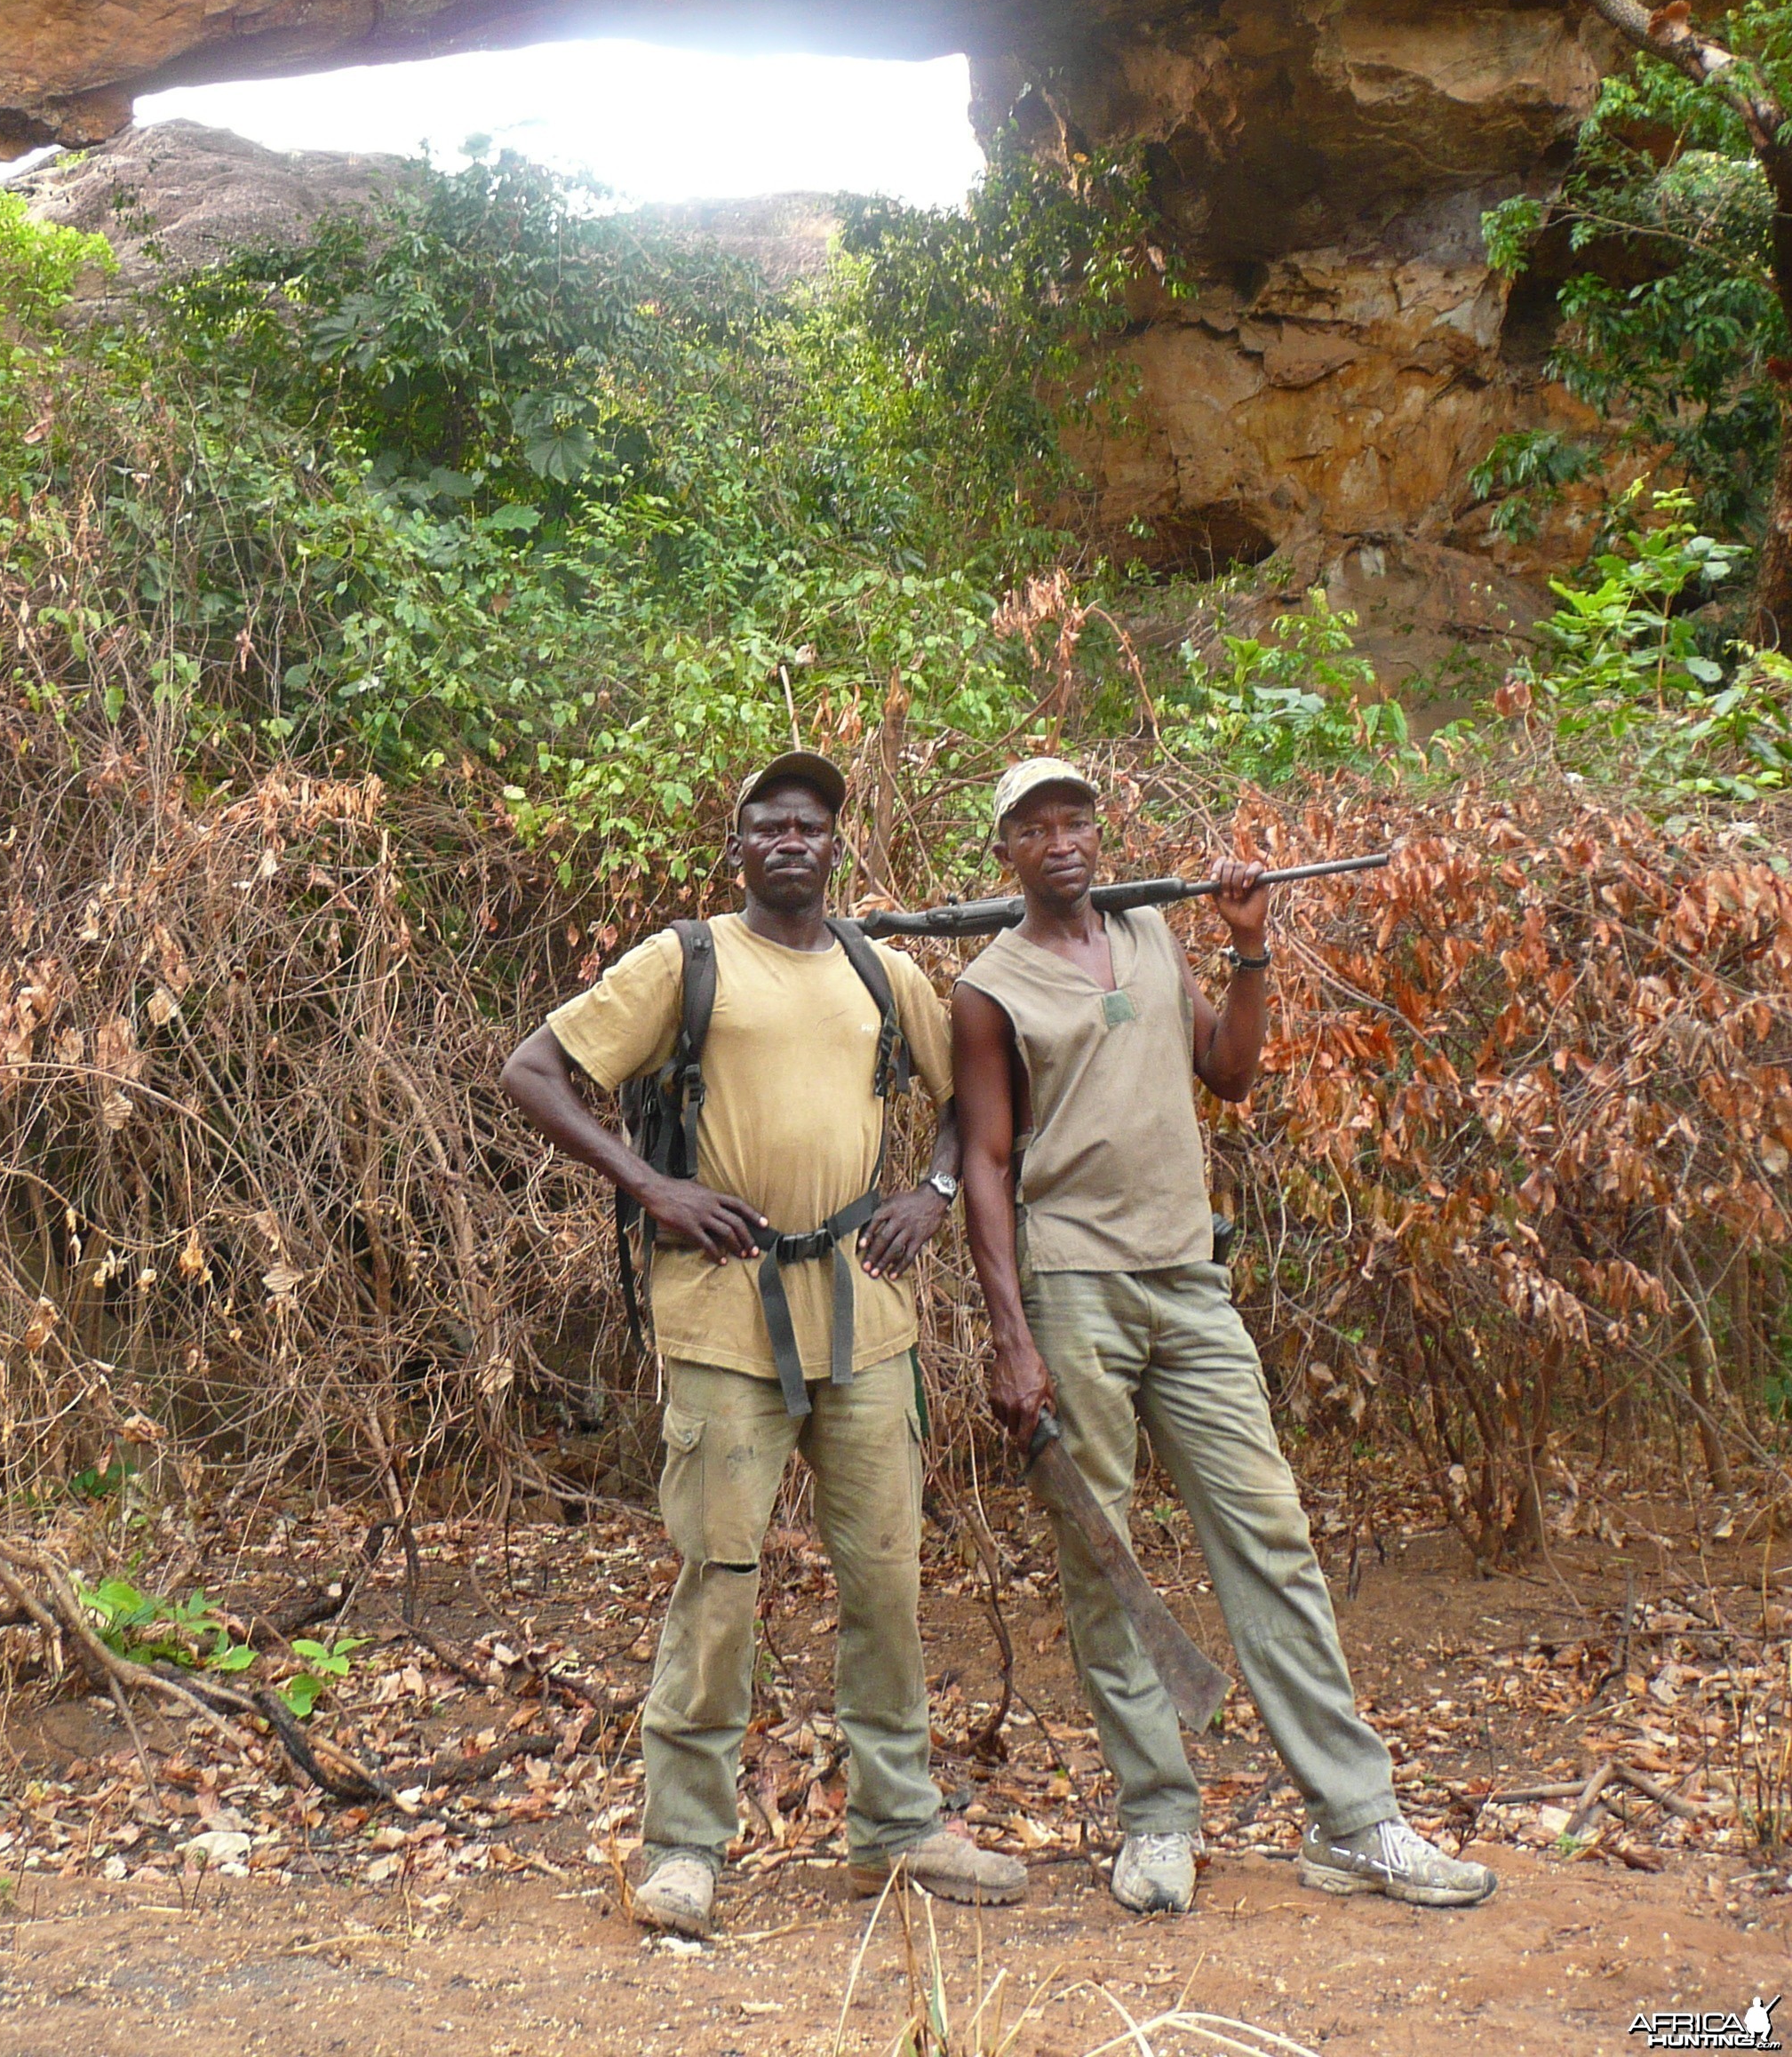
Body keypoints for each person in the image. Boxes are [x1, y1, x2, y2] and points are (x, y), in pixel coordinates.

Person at [952, 757, 1497, 1915]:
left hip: (1188, 1283)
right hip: (1072, 1288)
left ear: (1100, 835)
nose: (1062, 843)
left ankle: (1356, 1821)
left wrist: (1250, 945)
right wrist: (1011, 1335)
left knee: (1271, 1537)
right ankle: (1156, 1818)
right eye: (1034, 829)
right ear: (1004, 853)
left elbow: (1233, 1072)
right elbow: (988, 1166)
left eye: (1077, 821)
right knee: (1107, 1562)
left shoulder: (1155, 935)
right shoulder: (988, 987)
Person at [501, 751, 1027, 1938]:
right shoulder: (682, 962)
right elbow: (535, 1069)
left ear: (838, 845)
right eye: (767, 824)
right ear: (737, 845)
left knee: (888, 1578)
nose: (791, 840)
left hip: (865, 1310)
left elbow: (977, 1089)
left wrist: (936, 1189)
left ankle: (896, 1828)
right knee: (719, 1580)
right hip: (724, 1315)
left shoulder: (878, 970)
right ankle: (684, 1842)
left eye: (812, 824)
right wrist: (651, 1186)